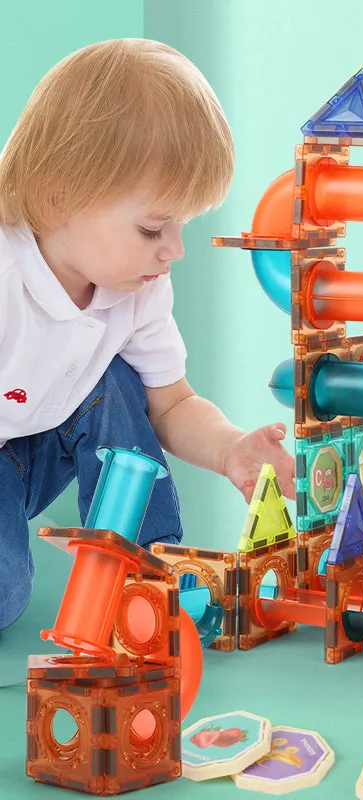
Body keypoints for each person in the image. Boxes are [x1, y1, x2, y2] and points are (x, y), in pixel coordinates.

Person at [0, 38, 295, 631]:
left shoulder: (138, 286)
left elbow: (172, 404)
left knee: (116, 379)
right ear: (61, 197)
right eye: (153, 228)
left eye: (182, 226)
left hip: (33, 445)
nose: (175, 250)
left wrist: (229, 448)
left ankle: (145, 572)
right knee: (5, 596)